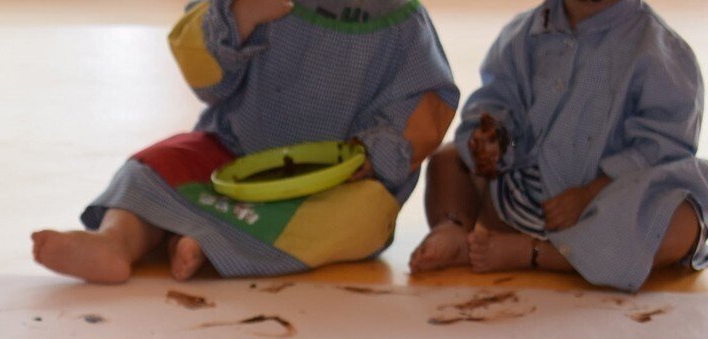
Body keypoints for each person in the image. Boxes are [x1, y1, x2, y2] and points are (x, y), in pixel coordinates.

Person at [33, 0, 457, 283]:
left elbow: (424, 110)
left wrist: (371, 154)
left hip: (337, 182)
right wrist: (240, 16)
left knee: (364, 217)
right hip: (236, 155)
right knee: (151, 167)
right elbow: (207, 80)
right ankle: (116, 241)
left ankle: (203, 243)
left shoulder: (402, 23)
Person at [409, 0, 708, 291]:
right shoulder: (522, 34)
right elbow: (497, 101)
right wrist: (495, 141)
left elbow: (662, 146)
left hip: (607, 210)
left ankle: (539, 253)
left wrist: (592, 192)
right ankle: (455, 226)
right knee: (449, 159)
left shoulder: (660, 50)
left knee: (684, 220)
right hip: (519, 194)